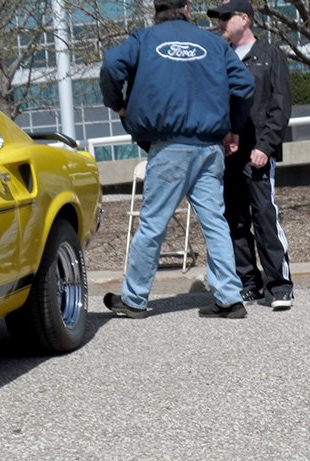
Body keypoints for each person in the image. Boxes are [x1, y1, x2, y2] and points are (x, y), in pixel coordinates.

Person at [99, 0, 255, 319]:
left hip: (170, 148)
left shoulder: (143, 39)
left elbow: (111, 67)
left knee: (153, 224)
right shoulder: (213, 42)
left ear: (156, 10)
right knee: (214, 223)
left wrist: (119, 105)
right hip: (210, 149)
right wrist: (234, 129)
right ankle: (229, 297)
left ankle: (134, 299)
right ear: (186, 8)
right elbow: (245, 84)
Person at [209, 0, 294, 310]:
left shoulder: (271, 55)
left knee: (265, 218)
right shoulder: (221, 57)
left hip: (258, 154)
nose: (220, 23)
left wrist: (265, 147)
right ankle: (249, 284)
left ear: (245, 19)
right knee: (235, 221)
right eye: (218, 18)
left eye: (225, 17)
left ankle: (280, 287)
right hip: (228, 154)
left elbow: (280, 106)